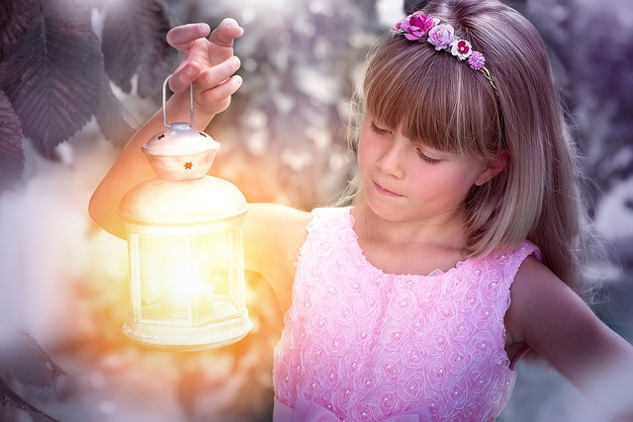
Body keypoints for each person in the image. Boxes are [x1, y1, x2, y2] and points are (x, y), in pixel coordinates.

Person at [89, 0, 633, 420]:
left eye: (429, 153)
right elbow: (117, 211)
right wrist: (190, 115)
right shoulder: (298, 244)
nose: (391, 164)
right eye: (379, 128)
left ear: (491, 165)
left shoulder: (515, 288)